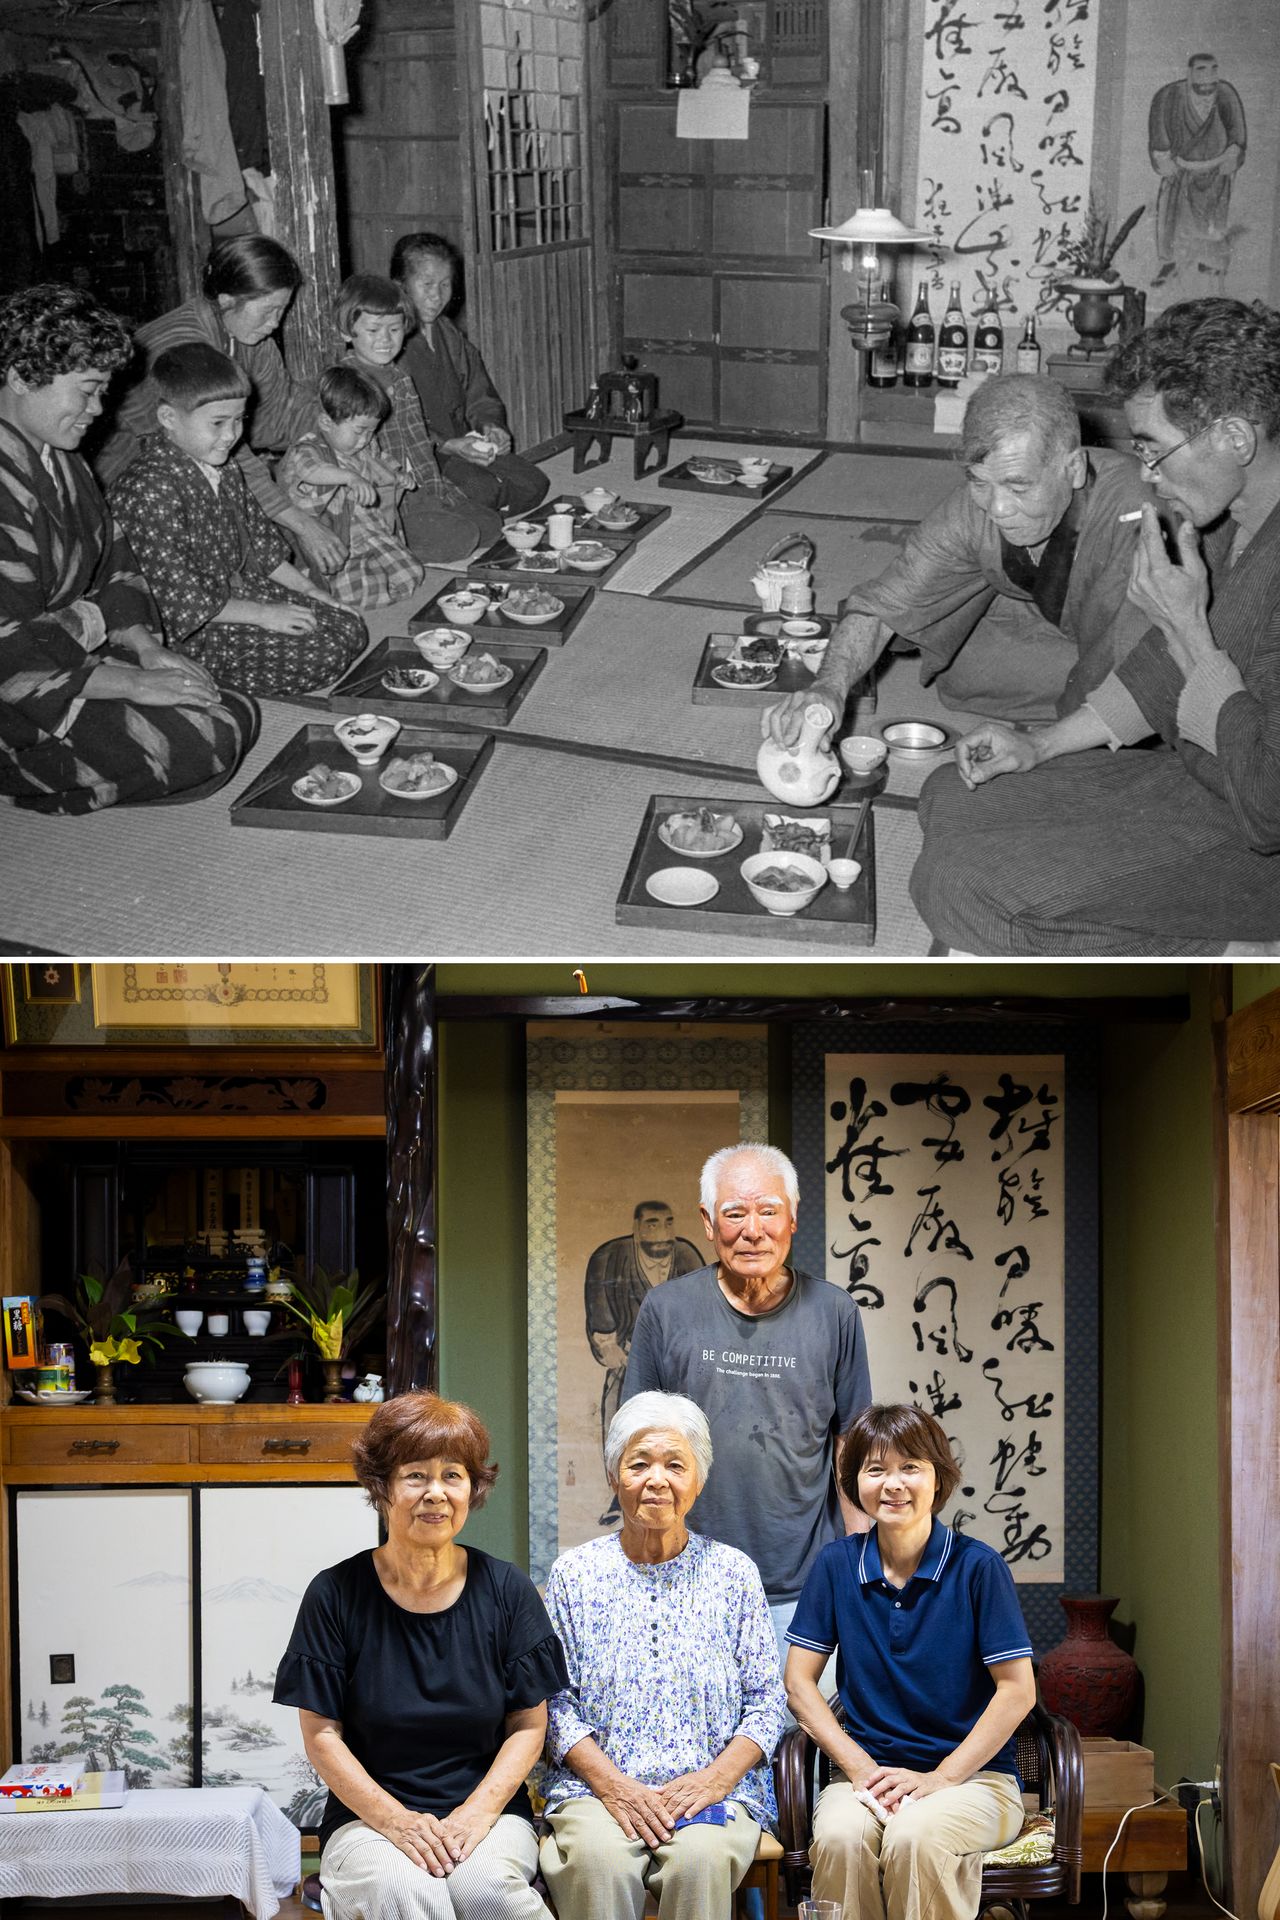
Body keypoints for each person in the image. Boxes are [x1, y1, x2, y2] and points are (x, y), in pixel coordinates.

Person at [910, 297, 1280, 954]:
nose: (1144, 472)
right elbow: (1160, 672)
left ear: (1236, 438)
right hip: (1199, 771)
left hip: (1256, 831)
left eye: (1155, 449)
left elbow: (1267, 802)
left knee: (959, 885)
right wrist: (1043, 745)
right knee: (950, 793)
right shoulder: (1227, 522)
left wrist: (1189, 627)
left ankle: (1213, 946)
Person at [273, 1392, 569, 1920]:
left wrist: (474, 1815)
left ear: (472, 1489)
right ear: (382, 1487)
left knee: (486, 1895)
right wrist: (398, 1822)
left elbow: (529, 1724)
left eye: (452, 1475)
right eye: (415, 1476)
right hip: (368, 1820)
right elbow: (321, 1734)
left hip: (490, 1814)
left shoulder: (507, 1590)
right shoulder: (335, 1593)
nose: (435, 1493)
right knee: (405, 1891)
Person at [762, 375, 1151, 744]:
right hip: (1062, 623)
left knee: (1117, 701)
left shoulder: (1136, 512)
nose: (997, 508)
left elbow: (1135, 662)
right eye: (980, 483)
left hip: (1143, 647)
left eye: (1018, 486)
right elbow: (883, 607)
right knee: (962, 675)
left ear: (1074, 469)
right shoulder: (974, 508)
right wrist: (827, 687)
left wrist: (1045, 745)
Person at [0, 284, 255, 815]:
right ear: (22, 378)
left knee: (230, 707)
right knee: (208, 738)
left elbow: (115, 559)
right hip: (20, 692)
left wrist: (143, 646)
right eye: (88, 390)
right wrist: (135, 685)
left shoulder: (60, 457)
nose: (99, 409)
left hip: (67, 653)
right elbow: (11, 654)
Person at [538, 1391, 787, 1920]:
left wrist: (714, 1780)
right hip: (597, 1790)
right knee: (597, 1862)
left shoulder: (733, 1573)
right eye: (639, 1464)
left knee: (698, 1862)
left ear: (698, 1481)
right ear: (614, 1477)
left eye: (676, 1465)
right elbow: (553, 1705)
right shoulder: (574, 1575)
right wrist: (614, 1785)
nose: (657, 1479)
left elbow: (767, 1702)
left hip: (712, 1790)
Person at [785, 1403, 1034, 1920]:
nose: (893, 1484)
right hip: (867, 1776)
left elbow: (1017, 1690)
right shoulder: (836, 1565)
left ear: (938, 1477)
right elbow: (799, 1683)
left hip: (976, 1780)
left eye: (910, 1467)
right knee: (839, 1836)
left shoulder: (979, 1568)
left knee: (916, 1835)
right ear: (855, 1483)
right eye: (875, 1470)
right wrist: (859, 1767)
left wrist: (941, 1778)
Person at [622, 1143, 871, 1660]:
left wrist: (858, 1568)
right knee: (697, 1732)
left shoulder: (834, 1312)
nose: (752, 1229)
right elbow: (635, 1442)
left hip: (803, 1584)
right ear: (709, 1223)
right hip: (685, 1573)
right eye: (735, 1213)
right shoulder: (666, 1309)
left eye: (768, 1211)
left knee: (796, 1736)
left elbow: (852, 1445)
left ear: (793, 1216)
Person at [110, 343, 365, 699]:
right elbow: (182, 600)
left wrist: (310, 591)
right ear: (169, 418)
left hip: (237, 594)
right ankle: (200, 675)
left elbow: (263, 547)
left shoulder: (224, 466)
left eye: (238, 420)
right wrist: (263, 615)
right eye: (217, 423)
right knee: (321, 655)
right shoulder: (147, 487)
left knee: (349, 626)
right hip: (192, 625)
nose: (231, 435)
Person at [97, 234, 343, 576]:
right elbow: (225, 453)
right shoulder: (183, 345)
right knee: (277, 542)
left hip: (211, 460)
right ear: (227, 300)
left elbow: (278, 415)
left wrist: (344, 428)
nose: (276, 323)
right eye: (269, 311)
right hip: (136, 475)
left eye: (282, 310)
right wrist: (300, 522)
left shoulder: (251, 339)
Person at [334, 272, 500, 564]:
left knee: (492, 526)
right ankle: (390, 544)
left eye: (395, 330)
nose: (385, 340)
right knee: (462, 539)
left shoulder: (400, 376)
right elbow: (350, 454)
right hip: (382, 499)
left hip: (419, 486)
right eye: (373, 331)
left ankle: (429, 517)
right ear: (348, 332)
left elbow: (419, 441)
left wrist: (437, 491)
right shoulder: (347, 382)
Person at [391, 231, 548, 519]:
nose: (436, 296)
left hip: (463, 444)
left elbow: (478, 392)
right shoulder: (389, 341)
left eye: (445, 284)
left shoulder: (447, 332)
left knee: (534, 484)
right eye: (426, 284)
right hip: (424, 453)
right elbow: (395, 421)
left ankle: (472, 511)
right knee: (483, 489)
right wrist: (448, 445)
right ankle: (454, 511)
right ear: (400, 285)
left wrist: (491, 426)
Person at [585, 1201, 703, 1524]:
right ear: (637, 1228)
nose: (661, 1233)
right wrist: (630, 1357)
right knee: (621, 1418)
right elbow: (602, 1332)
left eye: (668, 1224)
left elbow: (703, 1326)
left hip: (680, 1367)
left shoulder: (688, 1257)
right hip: (627, 1360)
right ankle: (622, 1497)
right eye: (652, 1224)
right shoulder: (607, 1260)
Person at [280, 364, 426, 610]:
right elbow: (310, 471)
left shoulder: (365, 447)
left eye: (372, 432)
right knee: (364, 592)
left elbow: (382, 462)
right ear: (326, 422)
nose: (366, 439)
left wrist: (399, 475)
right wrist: (350, 477)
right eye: (360, 431)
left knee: (412, 574)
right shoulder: (310, 448)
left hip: (373, 531)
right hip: (341, 540)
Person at [1149, 55, 1246, 289]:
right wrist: (1163, 157)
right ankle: (1171, 265)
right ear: (1189, 72)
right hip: (1182, 170)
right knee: (1174, 221)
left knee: (1214, 223)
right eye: (1201, 69)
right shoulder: (1168, 96)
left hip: (1216, 171)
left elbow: (1238, 135)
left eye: (1214, 70)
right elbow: (1159, 137)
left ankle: (1210, 266)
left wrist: (1233, 154)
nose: (1208, 76)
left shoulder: (1226, 94)